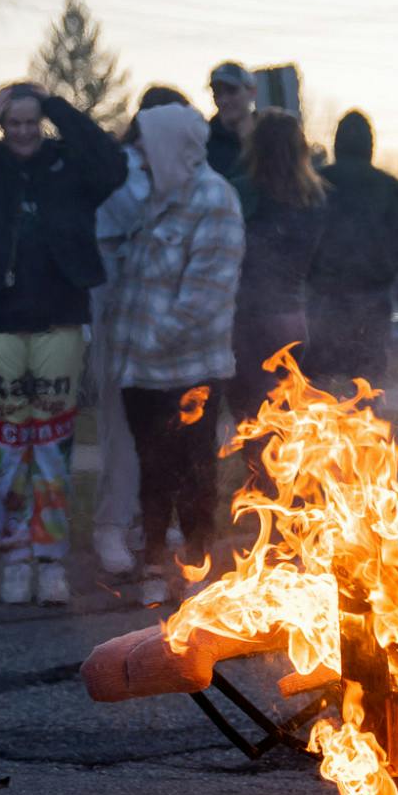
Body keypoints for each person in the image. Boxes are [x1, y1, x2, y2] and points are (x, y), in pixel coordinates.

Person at [0, 81, 126, 608]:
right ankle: (15, 558)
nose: (20, 133)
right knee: (3, 447)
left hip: (58, 320)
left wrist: (58, 107)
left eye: (29, 122)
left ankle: (50, 557)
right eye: (10, 123)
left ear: (41, 122)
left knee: (50, 447)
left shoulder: (69, 163)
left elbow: (112, 167)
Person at [109, 103, 244, 607]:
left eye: (145, 142)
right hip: (141, 372)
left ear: (169, 144)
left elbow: (205, 294)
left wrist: (152, 340)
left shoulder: (215, 199)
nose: (139, 154)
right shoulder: (152, 198)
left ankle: (197, 566)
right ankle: (153, 564)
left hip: (189, 371)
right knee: (153, 471)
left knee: (192, 472)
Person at [88, 83, 189, 579]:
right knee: (122, 429)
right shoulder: (121, 173)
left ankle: (151, 520)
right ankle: (111, 525)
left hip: (166, 320)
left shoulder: (181, 174)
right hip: (121, 316)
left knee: (164, 427)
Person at [225, 111, 327, 483]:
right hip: (293, 319)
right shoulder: (314, 198)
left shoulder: (240, 193)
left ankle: (268, 496)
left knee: (252, 418)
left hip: (249, 321)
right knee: (287, 414)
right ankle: (290, 496)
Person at [306, 110, 398, 385]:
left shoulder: (317, 183)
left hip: (324, 302)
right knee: (368, 385)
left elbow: (301, 237)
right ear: (371, 145)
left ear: (337, 143)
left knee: (317, 387)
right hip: (373, 301)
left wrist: (316, 276)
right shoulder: (390, 187)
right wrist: (382, 275)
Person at [206, 61, 256, 181]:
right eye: (217, 93)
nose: (224, 100)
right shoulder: (204, 142)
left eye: (232, 91)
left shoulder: (270, 135)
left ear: (252, 92)